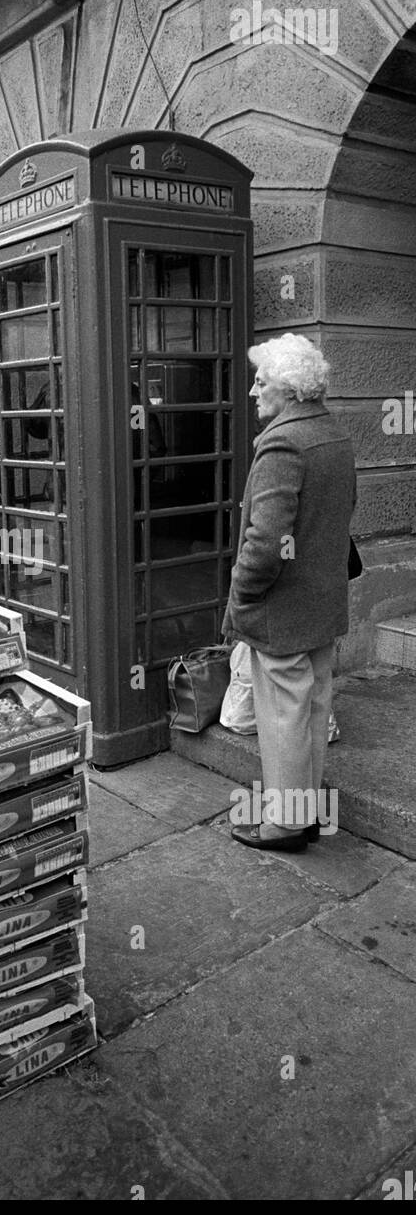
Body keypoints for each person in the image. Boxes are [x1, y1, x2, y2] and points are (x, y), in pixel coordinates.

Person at [223, 334, 356, 852]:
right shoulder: (334, 435)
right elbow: (343, 512)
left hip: (282, 609)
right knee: (313, 710)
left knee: (282, 720)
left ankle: (284, 824)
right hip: (323, 600)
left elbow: (264, 542)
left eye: (262, 381)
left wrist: (242, 594)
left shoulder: (283, 443)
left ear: (291, 389)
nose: (254, 390)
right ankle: (305, 812)